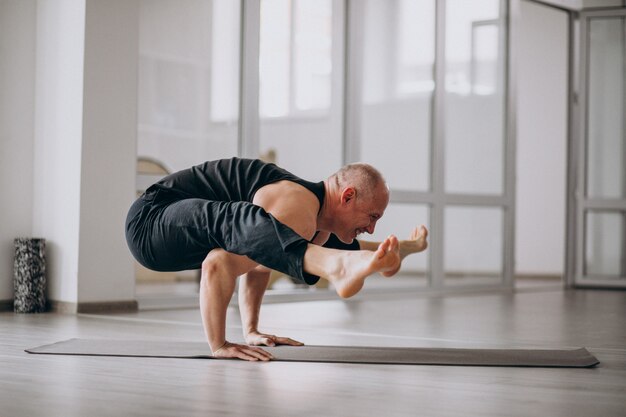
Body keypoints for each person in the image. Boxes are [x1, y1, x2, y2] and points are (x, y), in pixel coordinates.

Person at [125, 157, 428, 361]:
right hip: (150, 220)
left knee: (281, 238)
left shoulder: (313, 217)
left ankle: (364, 257)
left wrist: (251, 330)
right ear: (347, 196)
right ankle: (339, 265)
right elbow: (218, 264)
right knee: (239, 220)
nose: (373, 226)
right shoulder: (298, 209)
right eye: (371, 216)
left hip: (169, 225)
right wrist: (219, 344)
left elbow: (258, 262)